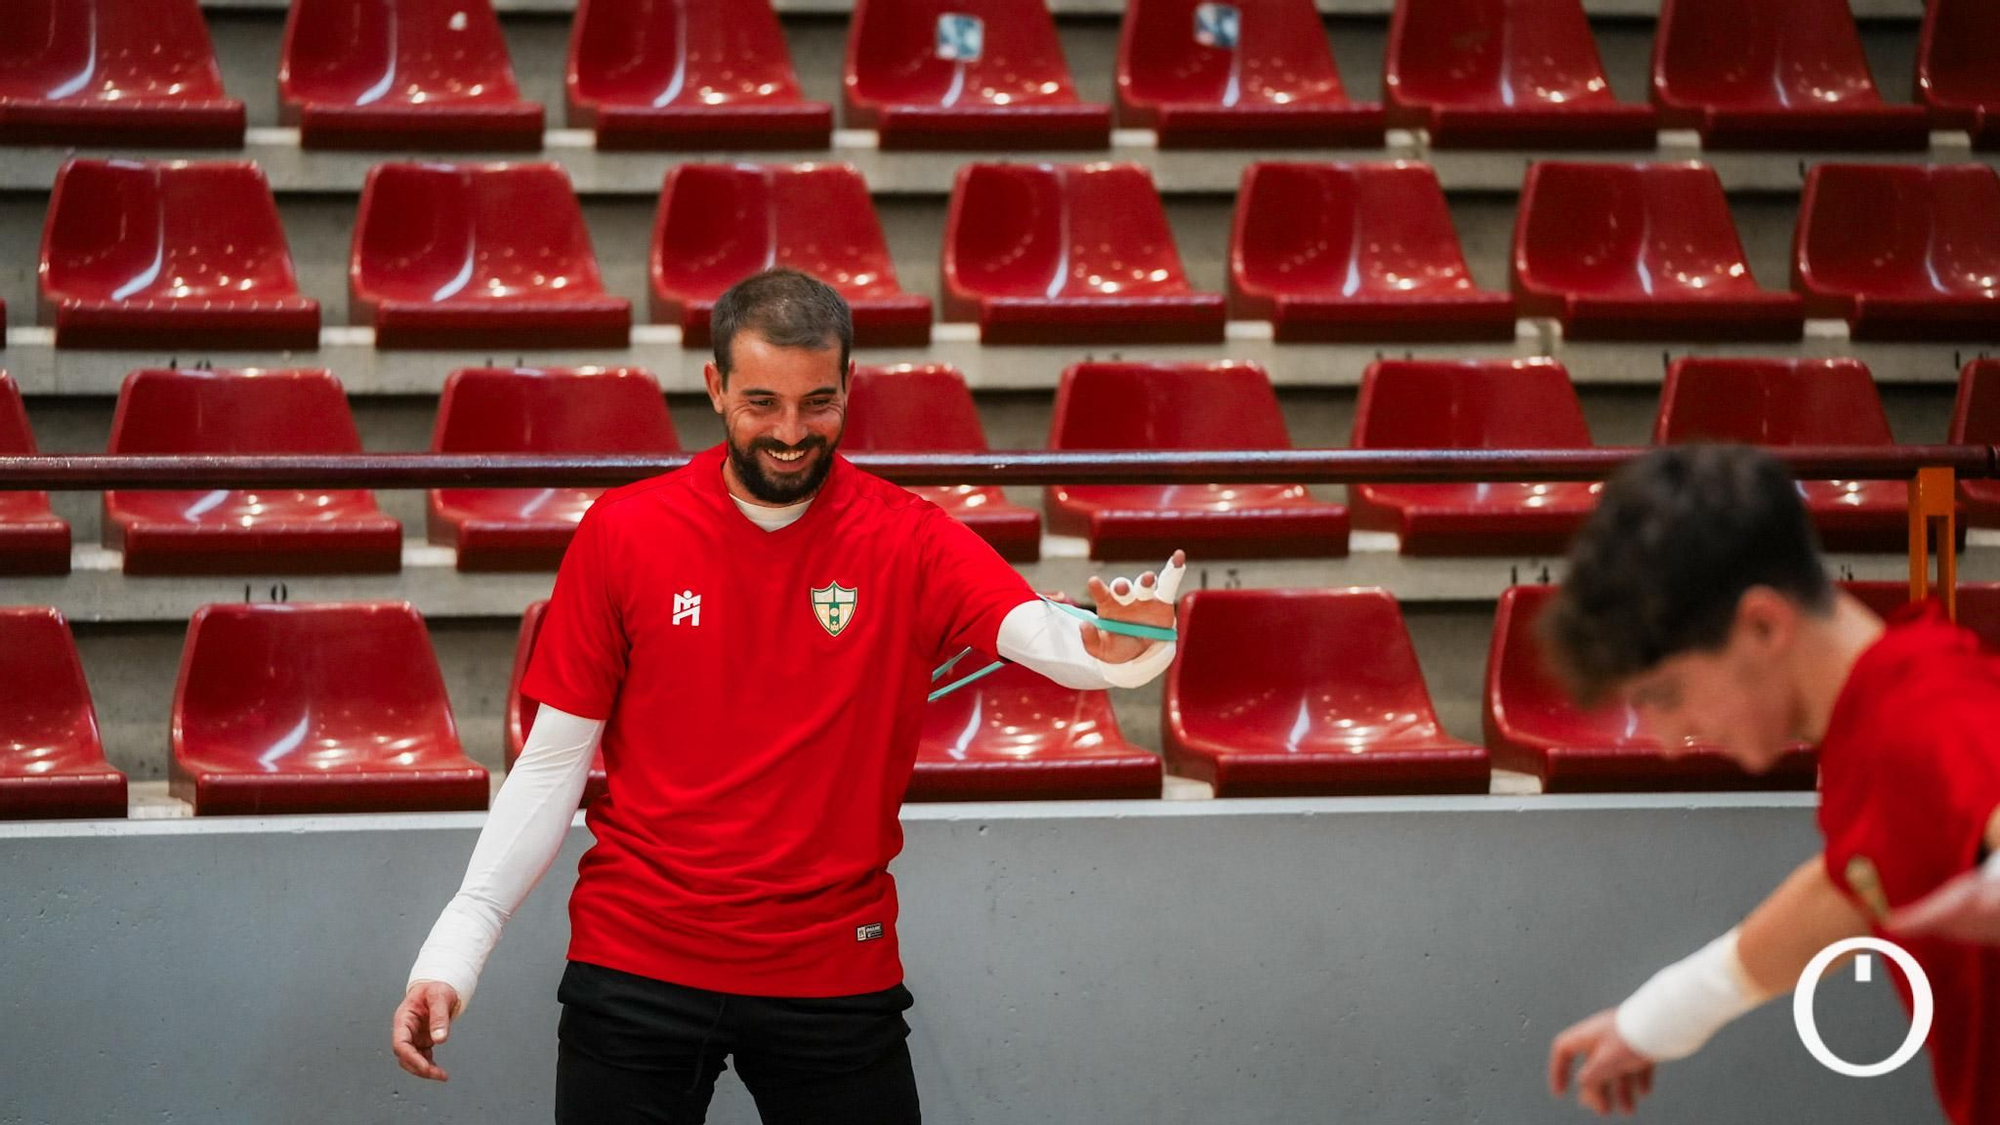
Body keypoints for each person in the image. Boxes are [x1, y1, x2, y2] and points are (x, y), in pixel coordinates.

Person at [387, 268, 1187, 1123]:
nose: (791, 432)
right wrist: (455, 947)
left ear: (849, 388)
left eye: (818, 403)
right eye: (761, 402)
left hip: (834, 966)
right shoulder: (625, 531)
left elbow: (1047, 637)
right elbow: (550, 766)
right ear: (715, 385)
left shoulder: (909, 536)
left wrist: (1122, 651)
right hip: (640, 957)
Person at [1539, 445, 2000, 1124]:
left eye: (1666, 694)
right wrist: (1657, 1017)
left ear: (1762, 624)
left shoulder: (1926, 713)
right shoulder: (1874, 723)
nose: (1668, 742)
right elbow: (1841, 888)